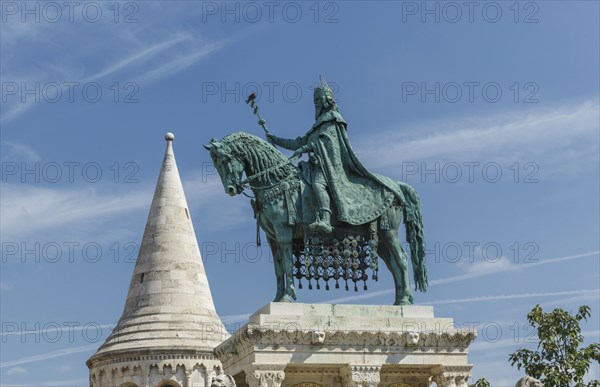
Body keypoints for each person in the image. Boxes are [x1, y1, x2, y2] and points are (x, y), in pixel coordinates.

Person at [267, 78, 399, 234]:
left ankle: (325, 218)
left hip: (329, 167)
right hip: (315, 165)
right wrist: (275, 139)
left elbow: (326, 143)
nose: (315, 103)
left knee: (318, 184)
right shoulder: (317, 125)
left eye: (318, 99)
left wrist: (306, 148)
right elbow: (298, 142)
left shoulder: (332, 119)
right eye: (314, 100)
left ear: (325, 99)